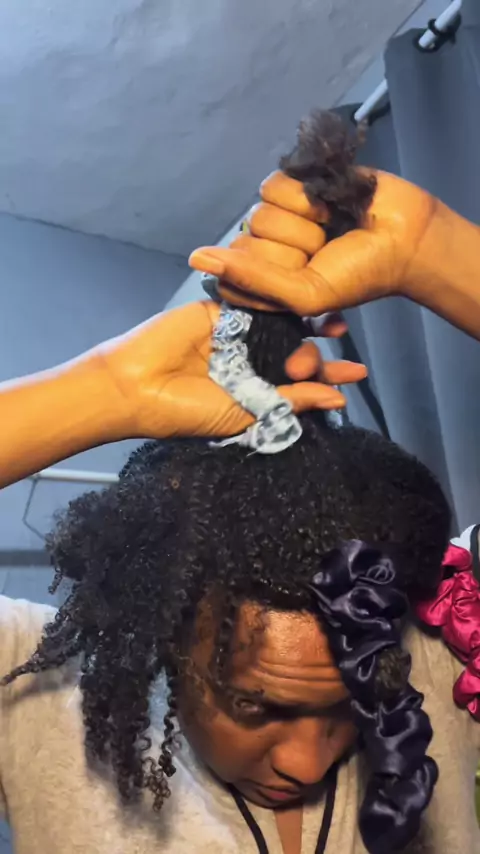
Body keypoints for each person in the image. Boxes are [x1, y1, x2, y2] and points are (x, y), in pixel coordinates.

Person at [1, 110, 480, 854]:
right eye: (256, 705)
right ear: (170, 633)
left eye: (354, 702)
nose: (308, 762)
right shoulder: (31, 692)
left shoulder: (441, 644)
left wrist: (433, 250)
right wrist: (107, 390)